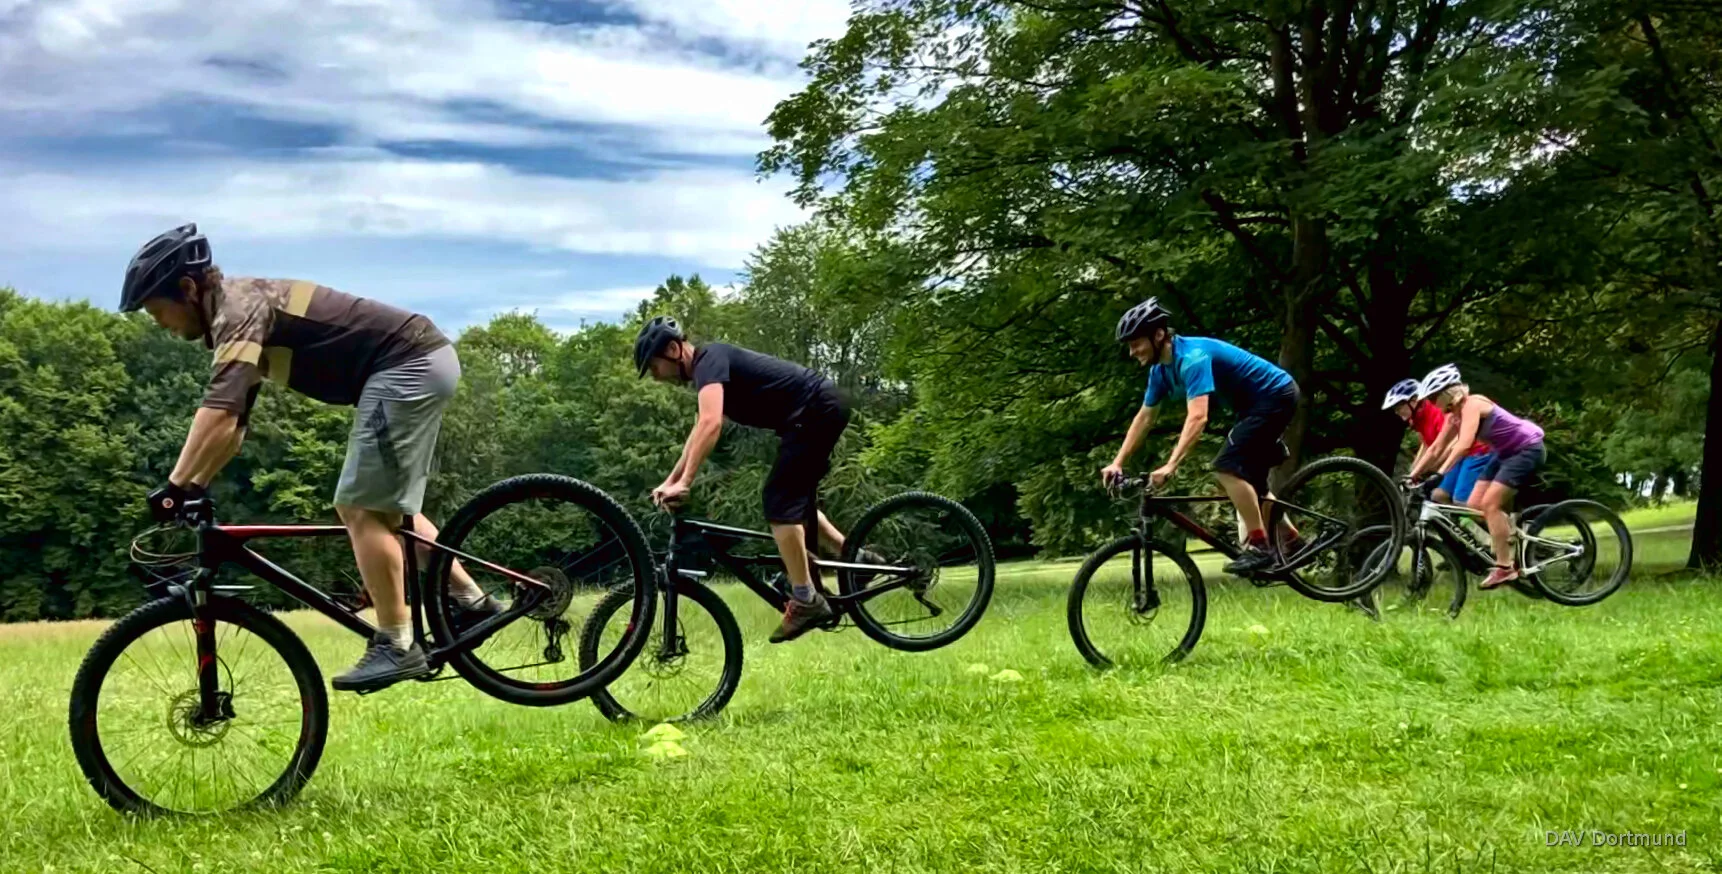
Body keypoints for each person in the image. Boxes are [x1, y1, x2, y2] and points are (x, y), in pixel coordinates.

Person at [122, 223, 497, 693]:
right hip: (412, 362)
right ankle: (471, 601)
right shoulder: (235, 316)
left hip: (407, 361)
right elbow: (233, 429)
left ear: (187, 288)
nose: (159, 323)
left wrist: (176, 488)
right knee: (384, 510)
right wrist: (194, 487)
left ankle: (398, 643)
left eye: (158, 311)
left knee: (359, 506)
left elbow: (216, 414)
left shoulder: (240, 309)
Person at [635, 316, 869, 643]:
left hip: (816, 409)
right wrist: (671, 479)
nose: (656, 377)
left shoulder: (709, 360)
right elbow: (698, 431)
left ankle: (805, 599)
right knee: (792, 504)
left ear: (673, 350)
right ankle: (857, 558)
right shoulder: (708, 375)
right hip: (815, 412)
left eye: (654, 366)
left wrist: (685, 482)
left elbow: (711, 424)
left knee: (778, 502)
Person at [1101, 298, 1301, 575]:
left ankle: (1260, 548)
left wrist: (1171, 465)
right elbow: (1145, 418)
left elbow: (1198, 417)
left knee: (1226, 468)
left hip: (1275, 395)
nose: (1132, 351)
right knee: (1251, 482)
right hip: (1251, 407)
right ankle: (1294, 542)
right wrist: (1118, 461)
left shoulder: (1192, 358)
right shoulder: (1159, 371)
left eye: (1136, 343)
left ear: (1158, 335)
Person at [1416, 364, 1547, 590]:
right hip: (1504, 453)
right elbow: (1436, 448)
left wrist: (1439, 473)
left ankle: (1505, 568)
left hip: (1526, 449)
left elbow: (1464, 446)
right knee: (1473, 505)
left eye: (1433, 397)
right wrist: (1413, 475)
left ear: (1446, 393)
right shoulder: (1453, 416)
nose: (1430, 403)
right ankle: (1511, 531)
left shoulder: (1472, 404)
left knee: (1490, 504)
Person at [1383, 379, 1496, 505]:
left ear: (1413, 401)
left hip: (1473, 453)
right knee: (1439, 496)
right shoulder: (1417, 419)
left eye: (1399, 407)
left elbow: (1452, 444)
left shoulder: (1437, 411)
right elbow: (1427, 446)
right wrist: (1413, 472)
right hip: (1458, 457)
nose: (1396, 412)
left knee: (1461, 500)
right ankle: (1454, 523)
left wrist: (1432, 469)